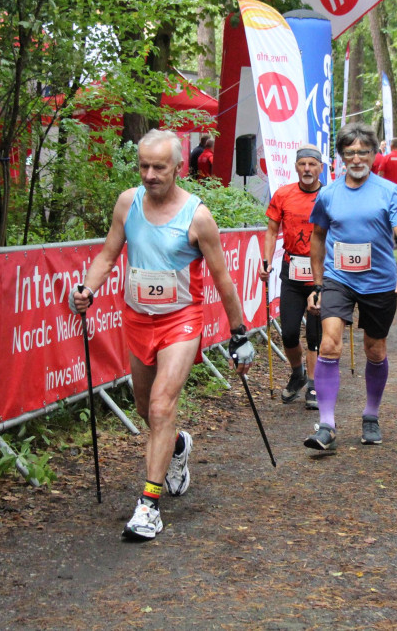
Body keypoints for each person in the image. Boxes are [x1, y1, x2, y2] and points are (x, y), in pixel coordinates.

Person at [69, 129, 255, 540]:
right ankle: (177, 448)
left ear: (178, 168)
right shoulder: (127, 202)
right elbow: (107, 254)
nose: (150, 175)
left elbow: (223, 279)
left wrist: (238, 333)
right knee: (143, 407)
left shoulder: (198, 217)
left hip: (181, 321)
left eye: (159, 167)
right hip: (137, 319)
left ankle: (149, 506)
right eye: (144, 166)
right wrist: (87, 288)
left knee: (160, 407)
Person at [304, 122, 397, 450]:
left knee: (375, 350)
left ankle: (371, 414)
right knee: (329, 346)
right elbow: (318, 237)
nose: (357, 159)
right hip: (339, 280)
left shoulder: (389, 192)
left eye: (363, 152)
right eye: (350, 152)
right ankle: (326, 424)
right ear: (341, 157)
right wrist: (317, 283)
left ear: (373, 154)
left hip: (379, 282)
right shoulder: (328, 194)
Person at [260, 145, 324, 409]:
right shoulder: (284, 194)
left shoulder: (330, 196)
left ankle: (313, 384)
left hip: (321, 273)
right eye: (302, 164)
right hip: (292, 271)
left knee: (314, 333)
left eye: (312, 164)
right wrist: (265, 261)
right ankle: (297, 374)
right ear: (296, 167)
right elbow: (271, 231)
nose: (307, 169)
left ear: (321, 167)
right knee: (287, 334)